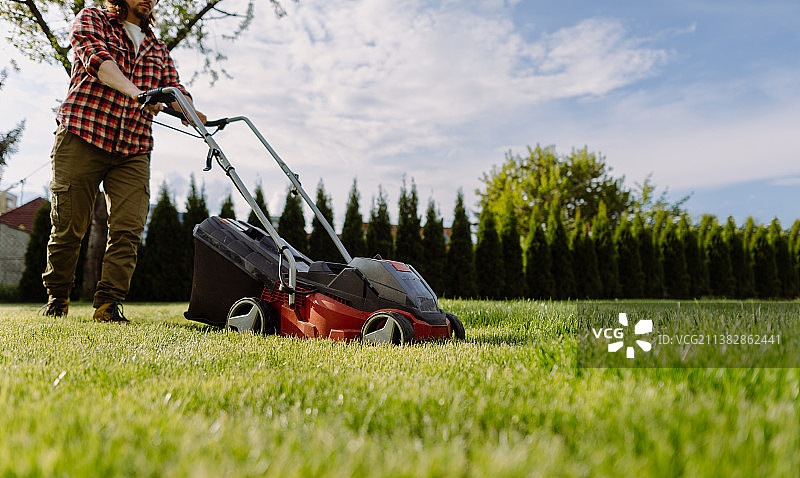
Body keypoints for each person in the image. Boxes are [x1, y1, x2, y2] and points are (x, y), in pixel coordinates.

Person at [40, 0, 205, 322]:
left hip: (134, 145)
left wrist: (189, 110)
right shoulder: (92, 18)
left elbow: (174, 87)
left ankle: (108, 304)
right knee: (68, 228)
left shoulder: (157, 47)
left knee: (128, 228)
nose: (149, 0)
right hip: (82, 134)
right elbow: (98, 62)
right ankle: (57, 296)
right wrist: (139, 93)